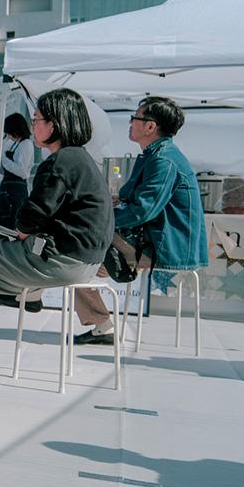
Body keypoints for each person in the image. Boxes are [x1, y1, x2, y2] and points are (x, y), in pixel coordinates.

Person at [0, 88, 113, 375]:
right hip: (84, 263)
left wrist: (19, 235)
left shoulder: (60, 161)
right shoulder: (83, 159)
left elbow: (30, 217)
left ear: (55, 124)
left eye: (37, 119)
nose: (33, 126)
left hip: (59, 261)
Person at [74, 96, 208, 345]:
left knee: (76, 240)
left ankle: (99, 316)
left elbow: (143, 211)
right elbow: (135, 202)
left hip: (164, 246)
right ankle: (99, 292)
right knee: (81, 247)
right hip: (151, 238)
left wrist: (100, 218)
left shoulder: (163, 160)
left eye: (134, 118)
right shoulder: (154, 154)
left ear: (150, 126)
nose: (130, 123)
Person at [0, 112, 34, 229]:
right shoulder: (13, 144)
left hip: (16, 189)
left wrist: (3, 159)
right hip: (7, 188)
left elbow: (21, 171)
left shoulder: (26, 144)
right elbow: (4, 171)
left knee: (13, 222)